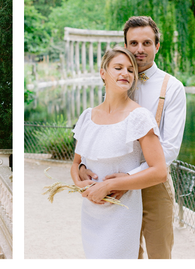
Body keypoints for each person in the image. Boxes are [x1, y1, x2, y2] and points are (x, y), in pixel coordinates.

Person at [77, 16, 187, 259]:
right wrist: (84, 163)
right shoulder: (118, 78)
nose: (139, 49)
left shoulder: (172, 87)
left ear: (157, 46)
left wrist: (129, 177)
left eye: (146, 43)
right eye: (133, 43)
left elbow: (169, 147)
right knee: (123, 252)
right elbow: (101, 127)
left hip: (153, 183)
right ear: (125, 45)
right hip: (112, 182)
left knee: (159, 253)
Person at [70, 46, 168, 259]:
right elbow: (76, 165)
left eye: (130, 70)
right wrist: (82, 185)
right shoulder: (87, 116)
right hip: (91, 212)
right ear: (103, 73)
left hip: (122, 213)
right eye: (118, 67)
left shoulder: (139, 117)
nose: (125, 73)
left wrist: (109, 185)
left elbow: (160, 171)